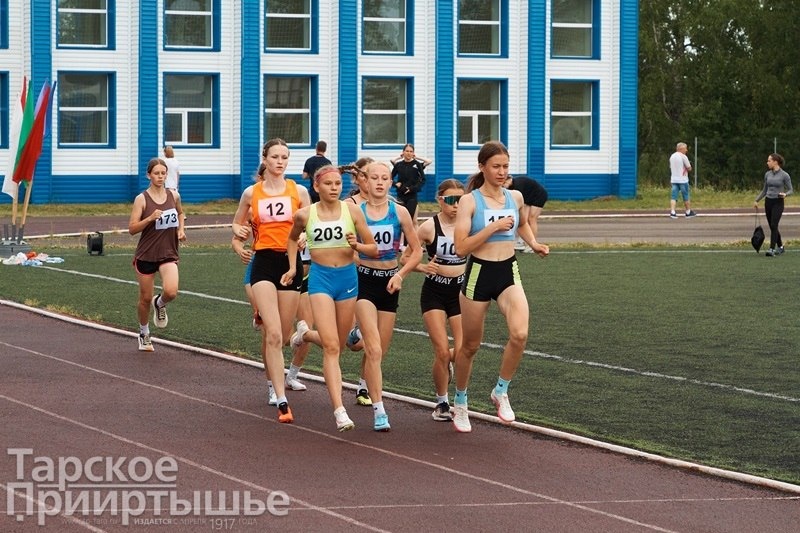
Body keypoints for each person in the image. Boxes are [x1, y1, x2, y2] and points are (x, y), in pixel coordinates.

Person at [452, 141, 549, 433]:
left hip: (508, 271)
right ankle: (460, 401)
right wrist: (493, 227)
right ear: (482, 167)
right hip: (479, 274)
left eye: (505, 166)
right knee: (470, 346)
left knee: (520, 334)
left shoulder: (515, 196)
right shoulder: (469, 201)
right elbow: (460, 248)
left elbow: (521, 224)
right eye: (496, 166)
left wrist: (533, 243)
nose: (502, 171)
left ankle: (500, 391)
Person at [282, 165, 377, 431]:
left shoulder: (353, 211)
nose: (334, 188)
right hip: (321, 280)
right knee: (332, 347)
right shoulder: (305, 215)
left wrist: (357, 245)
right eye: (328, 184)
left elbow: (373, 248)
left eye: (338, 183)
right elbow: (291, 240)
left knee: (338, 344)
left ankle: (304, 334)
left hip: (347, 280)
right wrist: (293, 268)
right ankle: (339, 410)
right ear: (316, 187)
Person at [231, 138, 311, 423]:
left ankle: (276, 326)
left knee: (285, 336)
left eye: (284, 157)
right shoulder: (251, 193)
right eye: (275, 157)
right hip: (263, 262)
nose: (280, 162)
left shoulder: (299, 191)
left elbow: (312, 222)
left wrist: (305, 235)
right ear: (265, 158)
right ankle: (281, 399)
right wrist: (238, 236)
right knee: (274, 335)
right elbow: (237, 223)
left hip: (290, 263)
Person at [354, 161, 423, 431]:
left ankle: (356, 333)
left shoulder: (400, 212)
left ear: (390, 182)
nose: (380, 182)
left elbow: (416, 251)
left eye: (385, 178)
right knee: (373, 349)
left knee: (380, 350)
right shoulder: (355, 211)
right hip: (363, 282)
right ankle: (379, 410)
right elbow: (343, 244)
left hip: (390, 283)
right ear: (365, 181)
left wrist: (401, 275)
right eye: (375, 178)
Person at [404, 179, 466, 422]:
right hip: (434, 293)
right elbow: (405, 258)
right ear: (440, 200)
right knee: (441, 351)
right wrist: (422, 267)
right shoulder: (429, 227)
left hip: (459, 293)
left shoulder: (468, 225)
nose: (456, 205)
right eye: (451, 200)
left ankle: (447, 363)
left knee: (463, 350)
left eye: (460, 200)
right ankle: (442, 403)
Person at [128, 157, 186, 352]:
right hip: (147, 254)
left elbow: (180, 213)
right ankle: (144, 332)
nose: (160, 177)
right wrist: (150, 219)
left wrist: (181, 230)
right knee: (145, 298)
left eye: (163, 173)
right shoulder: (142, 199)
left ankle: (159, 303)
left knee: (171, 291)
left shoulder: (174, 196)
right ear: (149, 175)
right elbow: (132, 229)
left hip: (168, 252)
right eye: (156, 173)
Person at [754, 153, 793, 257]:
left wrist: (785, 194)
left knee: (774, 225)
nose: (767, 162)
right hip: (768, 202)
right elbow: (764, 190)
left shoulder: (784, 175)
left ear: (775, 162)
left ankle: (772, 249)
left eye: (769, 161)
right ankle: (781, 247)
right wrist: (757, 200)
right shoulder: (767, 174)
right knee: (772, 226)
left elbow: (791, 190)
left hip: (778, 202)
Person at [503, 175, 548, 252]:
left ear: (509, 180)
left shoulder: (518, 185)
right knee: (523, 220)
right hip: (528, 198)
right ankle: (521, 242)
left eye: (504, 183)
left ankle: (532, 246)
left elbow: (518, 203)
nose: (503, 186)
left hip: (539, 195)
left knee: (532, 219)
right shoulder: (511, 187)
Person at [390, 144, 432, 227]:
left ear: (413, 153)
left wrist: (412, 188)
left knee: (410, 220)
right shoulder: (399, 165)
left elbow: (423, 179)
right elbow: (390, 178)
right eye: (407, 151)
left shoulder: (417, 164)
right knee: (400, 220)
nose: (409, 153)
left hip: (412, 196)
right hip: (400, 195)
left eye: (411, 151)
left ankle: (412, 235)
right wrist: (396, 184)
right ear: (403, 152)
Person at [669, 142, 696, 218]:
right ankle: (688, 212)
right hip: (683, 179)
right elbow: (689, 168)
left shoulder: (672, 156)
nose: (686, 150)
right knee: (686, 195)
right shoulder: (683, 156)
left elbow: (671, 167)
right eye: (685, 148)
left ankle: (672, 212)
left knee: (674, 196)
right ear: (681, 149)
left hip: (674, 179)